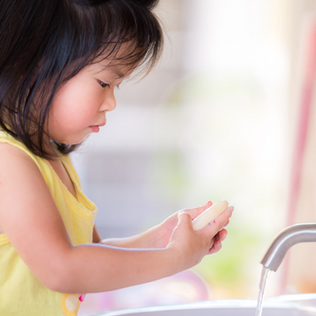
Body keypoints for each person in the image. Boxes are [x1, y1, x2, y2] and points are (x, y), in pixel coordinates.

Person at [0, 0, 234, 315]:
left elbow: (89, 255)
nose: (110, 102)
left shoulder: (51, 158)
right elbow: (61, 268)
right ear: (37, 64)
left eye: (117, 87)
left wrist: (160, 240)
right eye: (105, 82)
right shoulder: (8, 160)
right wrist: (175, 259)